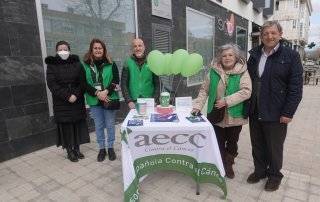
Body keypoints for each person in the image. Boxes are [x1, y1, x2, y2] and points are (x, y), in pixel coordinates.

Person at [246, 21, 303, 191]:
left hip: (277, 111)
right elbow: (248, 80)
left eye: (273, 33)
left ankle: (275, 175)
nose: (269, 36)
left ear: (280, 34)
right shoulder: (255, 54)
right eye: (265, 34)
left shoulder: (291, 56)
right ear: (261, 36)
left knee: (274, 146)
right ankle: (260, 171)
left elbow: (295, 87)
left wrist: (288, 112)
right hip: (255, 108)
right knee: (257, 143)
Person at [192, 44, 252, 179]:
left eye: (230, 55)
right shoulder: (213, 71)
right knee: (217, 141)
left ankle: (229, 164)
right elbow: (204, 90)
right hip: (216, 115)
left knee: (232, 142)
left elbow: (246, 92)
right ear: (220, 58)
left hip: (235, 116)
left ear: (236, 57)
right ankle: (221, 163)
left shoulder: (242, 71)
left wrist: (226, 100)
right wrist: (197, 106)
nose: (227, 58)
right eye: (224, 55)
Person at [45, 41, 90, 162]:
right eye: (60, 49)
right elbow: (52, 84)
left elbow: (82, 81)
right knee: (67, 127)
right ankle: (70, 150)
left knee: (77, 124)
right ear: (56, 51)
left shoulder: (77, 63)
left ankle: (77, 148)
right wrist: (67, 95)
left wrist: (75, 94)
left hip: (77, 99)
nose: (63, 51)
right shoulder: (52, 65)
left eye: (65, 49)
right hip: (62, 102)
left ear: (69, 50)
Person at [81, 38, 120, 162]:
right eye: (95, 48)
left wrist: (106, 91)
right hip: (94, 99)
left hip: (109, 98)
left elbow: (115, 81)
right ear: (91, 50)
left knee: (109, 125)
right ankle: (102, 148)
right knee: (99, 125)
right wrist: (97, 93)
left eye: (100, 48)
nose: (98, 50)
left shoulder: (111, 63)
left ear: (104, 50)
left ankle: (110, 147)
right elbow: (83, 83)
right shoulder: (85, 64)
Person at [121, 38, 160, 109]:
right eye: (135, 46)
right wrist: (129, 101)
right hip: (134, 102)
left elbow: (157, 83)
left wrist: (155, 99)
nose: (137, 48)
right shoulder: (127, 63)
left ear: (144, 47)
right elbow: (124, 84)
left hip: (149, 101)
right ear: (132, 49)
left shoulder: (152, 61)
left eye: (140, 46)